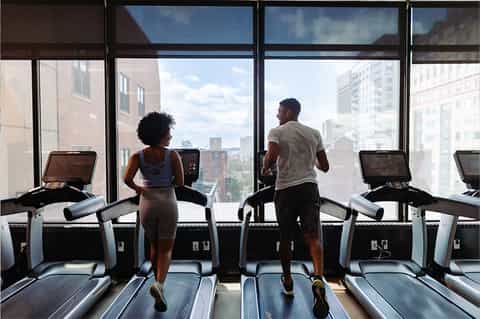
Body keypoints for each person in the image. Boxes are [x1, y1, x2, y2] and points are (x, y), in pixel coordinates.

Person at [262, 98, 330, 318]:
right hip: (309, 188)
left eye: (279, 111)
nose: (277, 115)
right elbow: (324, 166)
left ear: (289, 112)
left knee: (285, 237)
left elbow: (271, 158)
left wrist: (265, 168)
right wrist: (311, 161)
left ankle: (288, 279)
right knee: (313, 236)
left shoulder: (277, 131)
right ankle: (318, 277)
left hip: (286, 190)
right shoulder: (314, 133)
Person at [123, 112, 184, 312]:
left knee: (154, 245)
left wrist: (141, 190)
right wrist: (166, 184)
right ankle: (159, 285)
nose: (170, 135)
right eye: (168, 131)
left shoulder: (137, 156)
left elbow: (127, 179)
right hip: (167, 201)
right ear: (160, 133)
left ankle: (155, 279)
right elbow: (181, 182)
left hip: (147, 203)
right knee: (167, 248)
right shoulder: (172, 155)